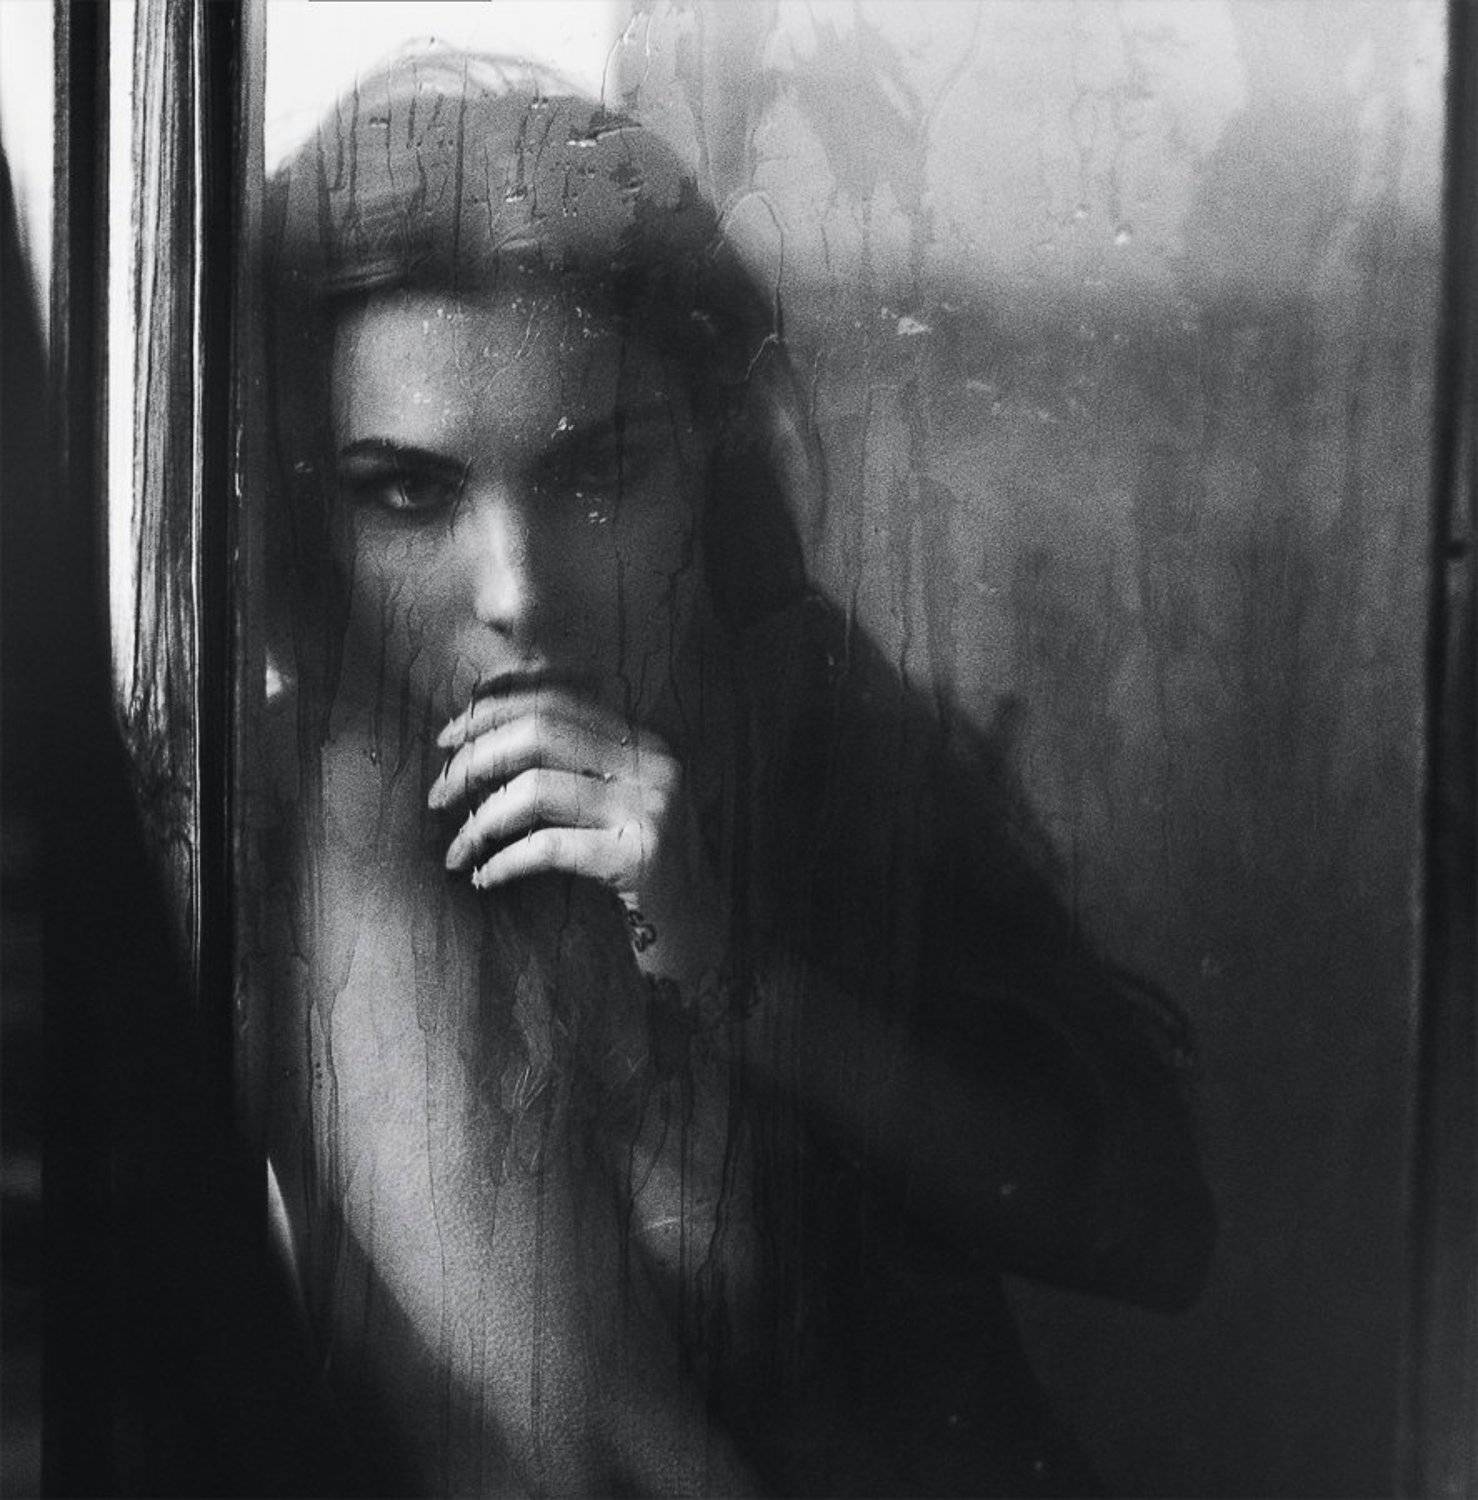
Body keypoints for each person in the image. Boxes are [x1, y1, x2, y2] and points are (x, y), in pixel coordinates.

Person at [259, 45, 1214, 1497]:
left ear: (705, 451)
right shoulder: (312, 821)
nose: (517, 591)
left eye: (595, 473)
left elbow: (1153, 1233)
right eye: (407, 492)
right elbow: (573, 1447)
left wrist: (723, 967)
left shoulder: (798, 698)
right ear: (308, 515)